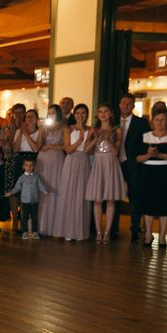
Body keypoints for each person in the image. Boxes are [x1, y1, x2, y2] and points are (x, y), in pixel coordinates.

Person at [136, 109, 167, 249]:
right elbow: (137, 158)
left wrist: (160, 155)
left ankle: (162, 236)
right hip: (148, 173)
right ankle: (148, 234)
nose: (160, 123)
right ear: (152, 121)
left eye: (163, 120)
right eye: (157, 120)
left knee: (165, 205)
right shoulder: (144, 136)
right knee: (148, 205)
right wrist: (149, 155)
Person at [85, 103, 125, 243]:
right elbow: (86, 150)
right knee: (97, 200)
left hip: (110, 164)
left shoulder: (117, 130)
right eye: (100, 111)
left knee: (110, 199)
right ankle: (98, 232)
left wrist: (107, 139)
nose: (103, 114)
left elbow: (116, 152)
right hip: (98, 164)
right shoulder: (93, 130)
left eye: (106, 111)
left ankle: (107, 232)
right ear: (97, 114)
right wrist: (96, 138)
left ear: (111, 113)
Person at [116, 93, 151, 242]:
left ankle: (135, 229)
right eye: (123, 102)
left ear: (133, 106)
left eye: (129, 103)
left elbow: (145, 143)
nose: (126, 105)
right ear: (119, 104)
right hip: (114, 164)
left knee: (134, 197)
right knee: (114, 197)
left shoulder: (141, 123)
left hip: (133, 164)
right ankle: (112, 229)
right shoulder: (111, 121)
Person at [54, 103, 91, 241]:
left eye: (83, 113)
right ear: (74, 115)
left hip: (84, 162)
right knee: (68, 194)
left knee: (81, 195)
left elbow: (88, 150)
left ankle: (79, 231)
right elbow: (68, 149)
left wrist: (87, 139)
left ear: (87, 115)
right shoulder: (68, 129)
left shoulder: (91, 130)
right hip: (70, 162)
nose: (80, 116)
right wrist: (80, 140)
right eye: (78, 113)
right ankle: (67, 230)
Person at [36, 104, 65, 237]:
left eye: (53, 113)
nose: (51, 115)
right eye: (49, 113)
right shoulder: (44, 127)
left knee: (56, 188)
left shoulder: (64, 127)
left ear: (58, 114)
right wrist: (41, 129)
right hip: (44, 159)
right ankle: (42, 226)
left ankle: (56, 226)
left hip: (57, 158)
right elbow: (38, 145)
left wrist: (52, 146)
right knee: (44, 190)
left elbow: (66, 146)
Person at [11, 109, 40, 234]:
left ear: (36, 119)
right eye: (27, 117)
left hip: (32, 160)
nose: (29, 119)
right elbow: (15, 148)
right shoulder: (18, 131)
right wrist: (21, 133)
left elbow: (35, 148)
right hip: (19, 160)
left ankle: (25, 221)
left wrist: (26, 134)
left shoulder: (39, 132)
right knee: (16, 190)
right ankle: (15, 221)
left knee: (28, 191)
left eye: (32, 117)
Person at [5, 157, 47, 239]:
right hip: (25, 202)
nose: (29, 167)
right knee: (24, 217)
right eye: (27, 165)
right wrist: (10, 193)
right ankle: (24, 232)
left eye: (31, 165)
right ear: (23, 167)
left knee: (35, 217)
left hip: (34, 201)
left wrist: (44, 190)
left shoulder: (36, 177)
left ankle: (35, 232)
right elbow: (17, 187)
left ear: (33, 166)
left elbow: (40, 185)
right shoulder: (22, 178)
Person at [3, 103, 26, 230]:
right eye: (16, 112)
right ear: (12, 114)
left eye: (21, 112)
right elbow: (8, 144)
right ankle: (15, 221)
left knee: (24, 190)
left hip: (25, 160)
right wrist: (14, 130)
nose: (19, 115)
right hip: (12, 160)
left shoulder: (28, 125)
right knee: (12, 191)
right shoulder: (9, 127)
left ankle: (22, 219)